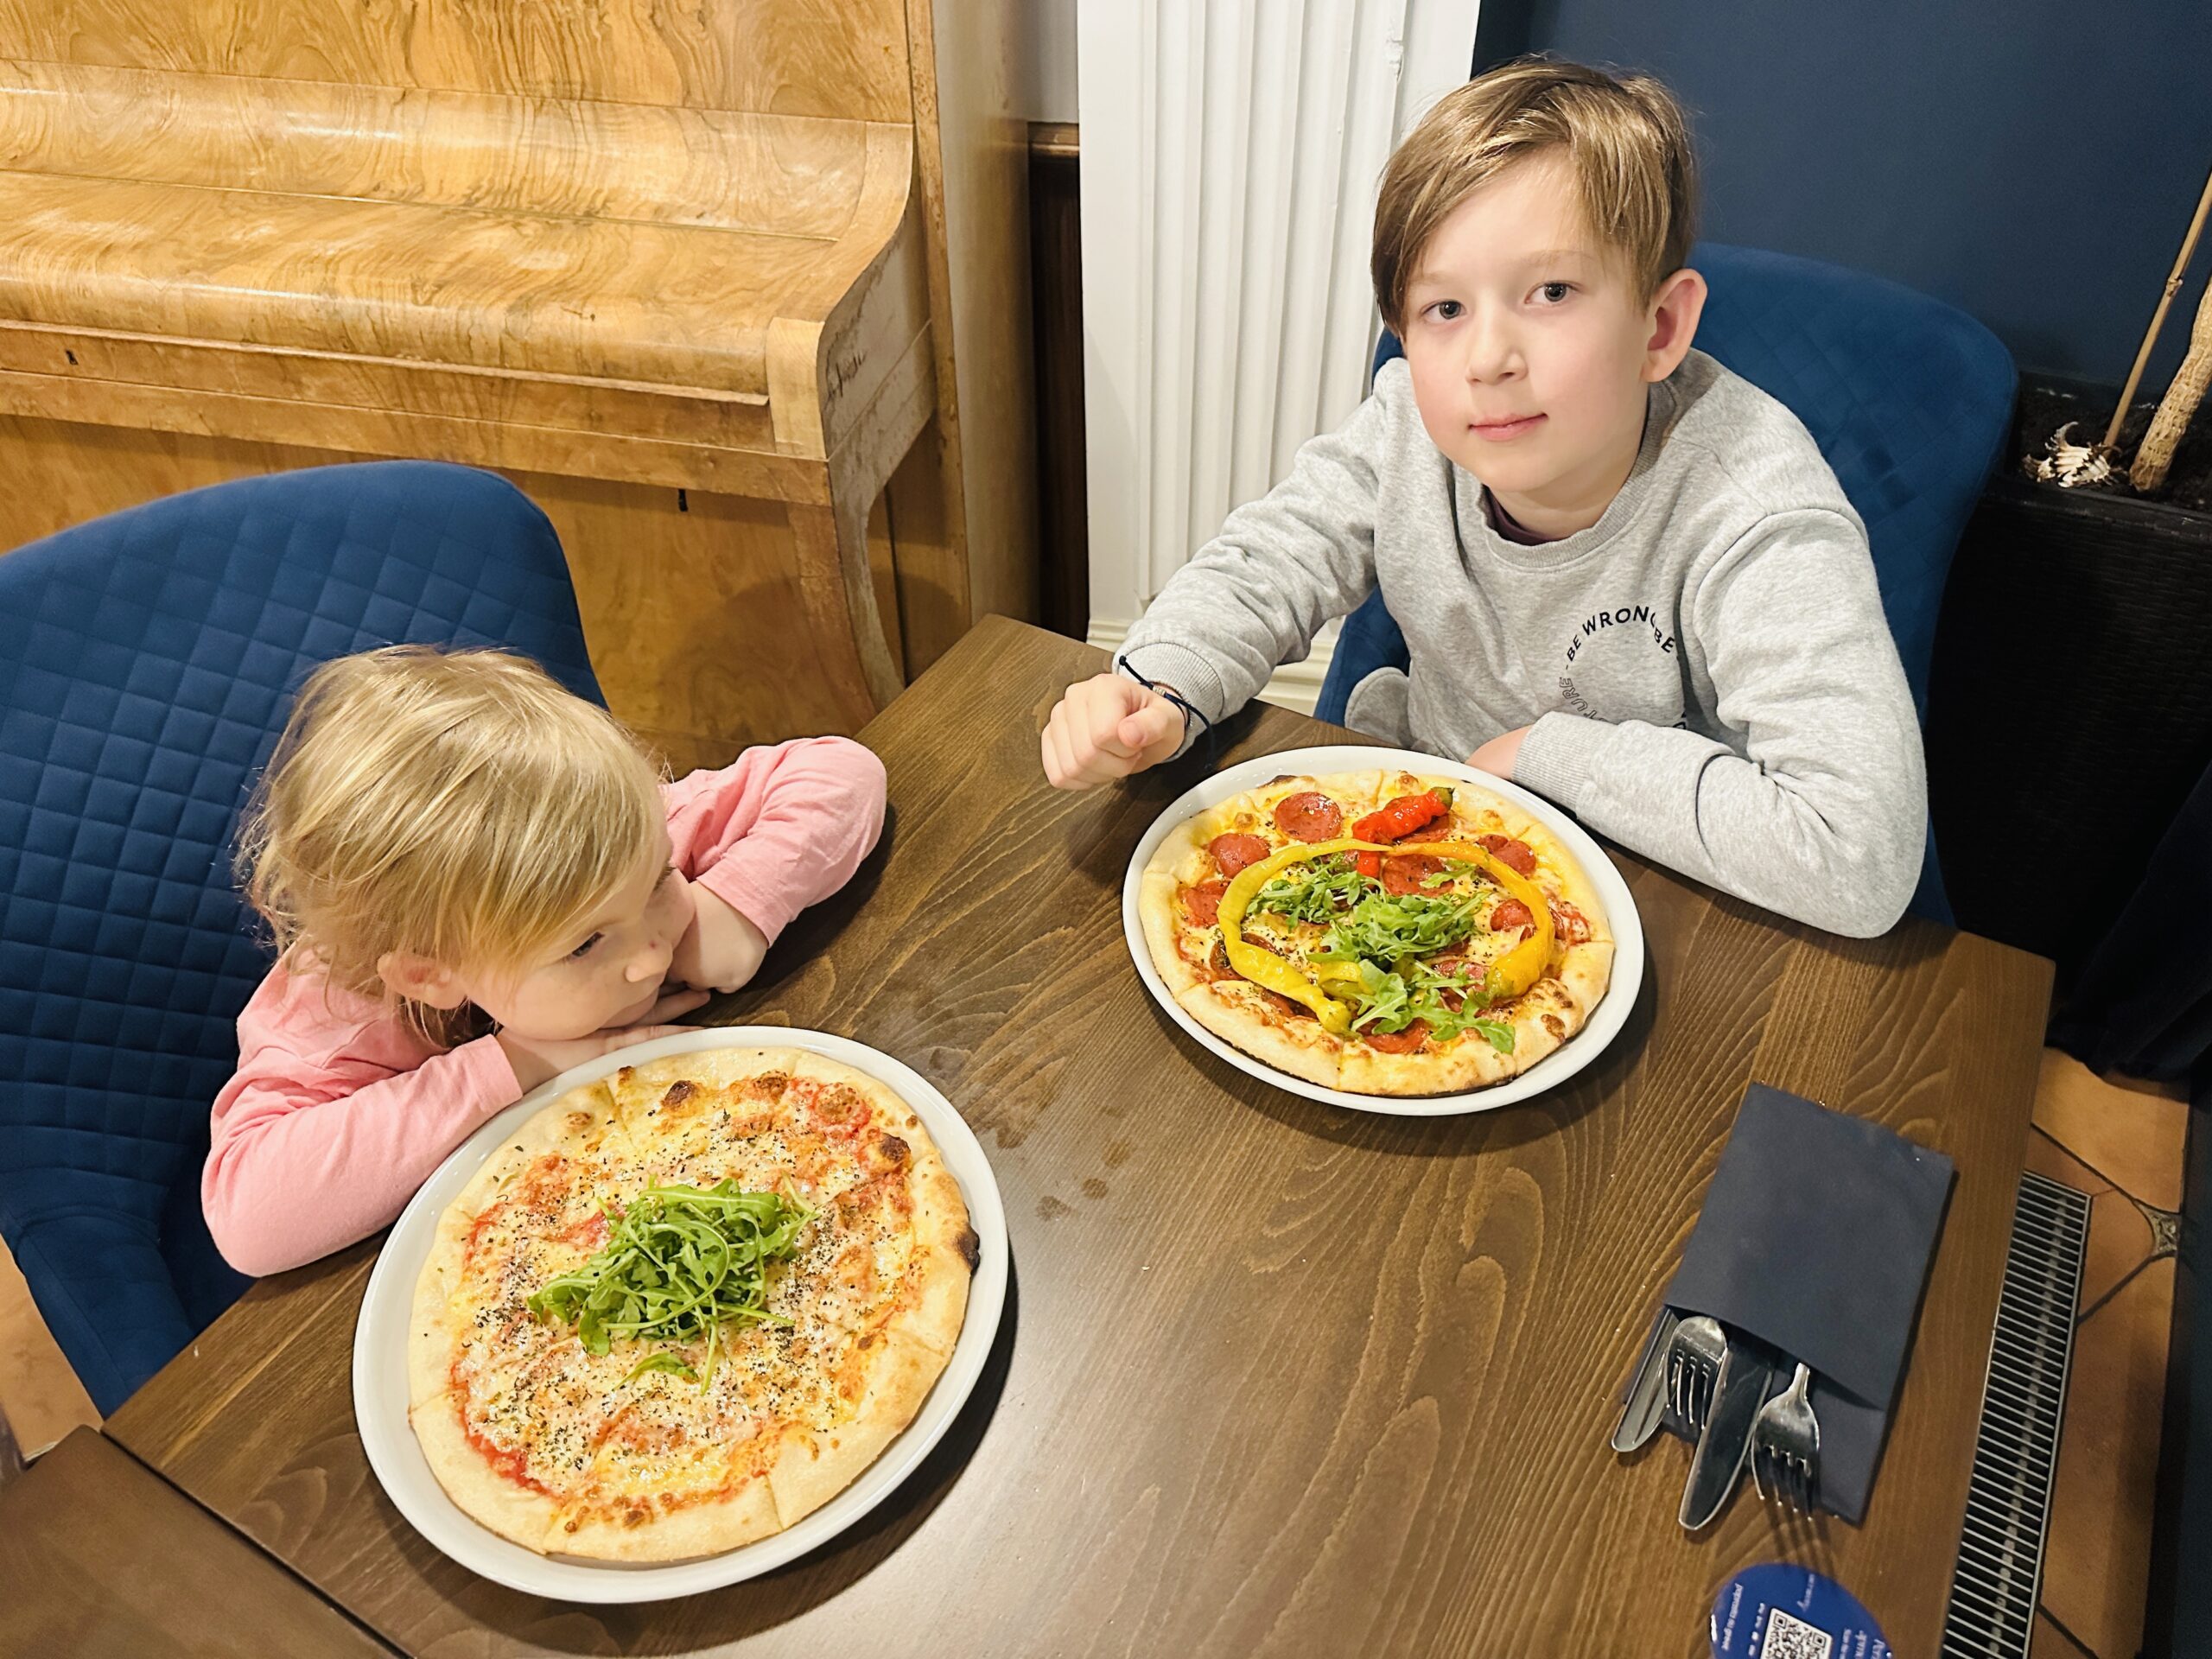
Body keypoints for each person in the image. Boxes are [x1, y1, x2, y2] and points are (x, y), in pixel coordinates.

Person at [1039, 58, 1924, 938]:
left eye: (1550, 292)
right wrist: (1158, 686)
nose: (1488, 359)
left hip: (1665, 886)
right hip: (1429, 846)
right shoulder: (1406, 428)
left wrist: (1550, 754)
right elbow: (1272, 559)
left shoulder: (1750, 505)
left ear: (1657, 328)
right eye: (1445, 309)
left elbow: (1859, 855)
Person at [204, 645, 886, 1275]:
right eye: (586, 944)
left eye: (657, 883)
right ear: (429, 974)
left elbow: (843, 771)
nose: (650, 956)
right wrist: (519, 1064)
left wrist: (735, 906)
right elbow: (249, 1218)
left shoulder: (606, 841)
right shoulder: (339, 1020)